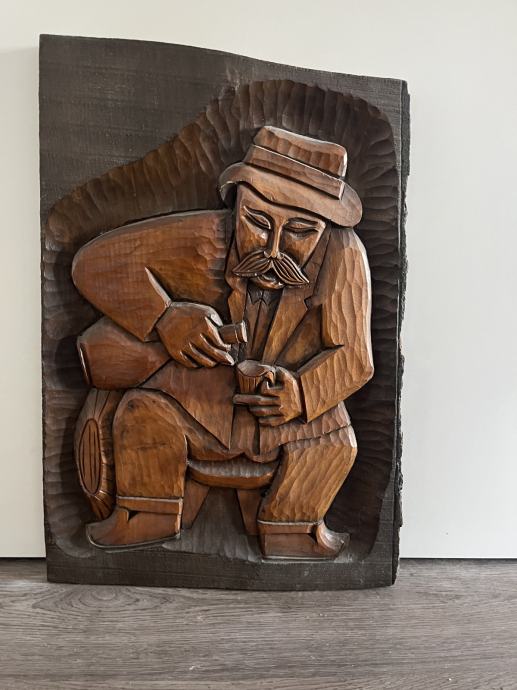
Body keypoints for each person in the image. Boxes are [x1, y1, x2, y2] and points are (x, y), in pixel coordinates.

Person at [72, 126, 374, 559]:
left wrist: (302, 393)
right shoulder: (205, 237)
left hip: (284, 418)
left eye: (300, 231)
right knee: (142, 415)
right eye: (257, 222)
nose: (273, 249)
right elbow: (92, 264)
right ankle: (144, 516)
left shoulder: (343, 256)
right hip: (195, 402)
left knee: (334, 443)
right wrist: (165, 316)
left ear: (325, 228)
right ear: (236, 205)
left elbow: (355, 357)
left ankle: (293, 533)